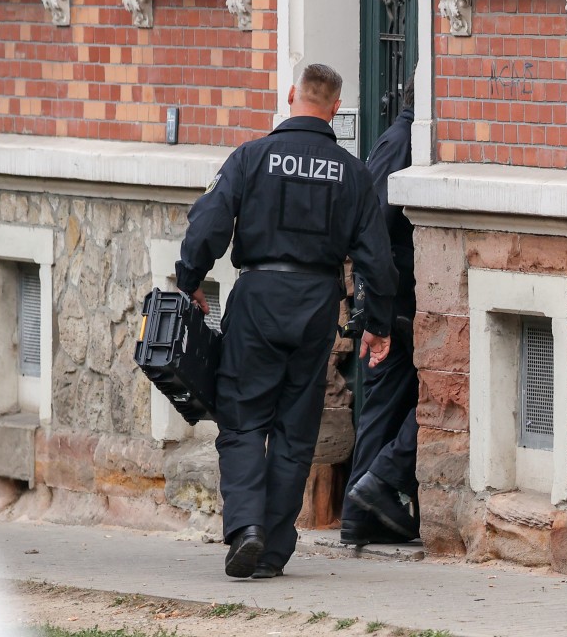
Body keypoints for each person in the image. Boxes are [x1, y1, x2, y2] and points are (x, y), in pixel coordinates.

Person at [174, 63, 398, 580]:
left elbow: (208, 222)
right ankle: (273, 550)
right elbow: (376, 259)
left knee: (243, 418)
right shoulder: (352, 173)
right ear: (335, 109)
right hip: (317, 303)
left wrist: (189, 281)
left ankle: (246, 529)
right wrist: (378, 323)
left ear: (292, 94)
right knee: (296, 428)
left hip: (258, 296)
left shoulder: (251, 157)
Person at [340, 82, 420, 545]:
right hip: (395, 296)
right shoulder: (404, 139)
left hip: (389, 295)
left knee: (385, 400)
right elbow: (377, 226)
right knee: (400, 395)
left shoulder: (398, 137)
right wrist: (379, 308)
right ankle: (367, 496)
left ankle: (359, 511)